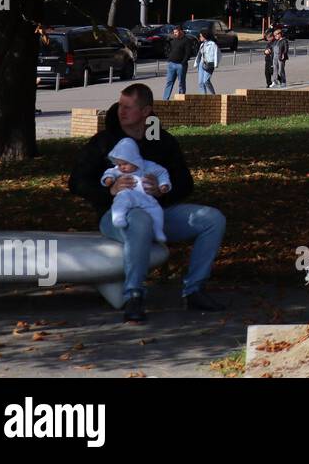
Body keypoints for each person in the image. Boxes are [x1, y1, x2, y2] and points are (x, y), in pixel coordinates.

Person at [68, 83, 227, 323]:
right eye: (120, 105)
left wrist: (163, 191)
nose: (121, 111)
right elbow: (76, 182)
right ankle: (134, 295)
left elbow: (185, 183)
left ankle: (194, 289)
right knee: (139, 220)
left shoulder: (161, 141)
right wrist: (109, 190)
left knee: (212, 219)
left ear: (145, 112)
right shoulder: (104, 141)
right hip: (116, 216)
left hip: (159, 214)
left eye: (128, 107)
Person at [102, 137, 170, 243]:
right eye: (119, 164)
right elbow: (109, 172)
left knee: (156, 209)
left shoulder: (147, 166)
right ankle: (118, 218)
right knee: (121, 201)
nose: (122, 167)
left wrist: (163, 184)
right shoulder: (117, 170)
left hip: (145, 197)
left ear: (135, 160)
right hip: (127, 194)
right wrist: (108, 180)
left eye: (125, 164)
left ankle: (158, 231)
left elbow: (161, 172)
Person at [162, 25, 191, 100]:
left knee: (181, 83)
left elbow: (188, 53)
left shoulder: (186, 40)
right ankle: (165, 99)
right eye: (174, 32)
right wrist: (169, 59)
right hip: (171, 64)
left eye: (176, 32)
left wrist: (183, 62)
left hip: (180, 65)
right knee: (169, 82)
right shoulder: (173, 40)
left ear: (181, 31)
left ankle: (181, 98)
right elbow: (170, 49)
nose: (174, 34)